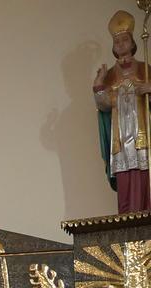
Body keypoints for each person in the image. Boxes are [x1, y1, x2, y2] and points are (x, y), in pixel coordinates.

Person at [94, 10, 151, 213]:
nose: (120, 44)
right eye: (116, 41)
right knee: (125, 180)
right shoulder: (109, 75)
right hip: (120, 137)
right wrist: (99, 84)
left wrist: (149, 89)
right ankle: (126, 220)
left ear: (133, 42)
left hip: (143, 135)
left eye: (124, 39)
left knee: (144, 176)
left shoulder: (146, 69)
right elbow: (104, 105)